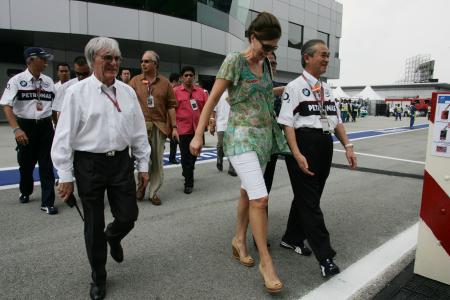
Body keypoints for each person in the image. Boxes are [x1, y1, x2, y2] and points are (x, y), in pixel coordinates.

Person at [190, 12, 289, 293]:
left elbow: (265, 96)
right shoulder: (235, 60)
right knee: (260, 198)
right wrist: (198, 134)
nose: (269, 53)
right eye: (265, 46)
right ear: (252, 37)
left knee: (248, 192)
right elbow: (212, 98)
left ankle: (238, 239)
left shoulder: (267, 66)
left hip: (263, 141)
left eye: (273, 48)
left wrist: (290, 88)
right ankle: (266, 263)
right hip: (240, 138)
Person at [51, 37, 150, 300]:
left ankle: (114, 236)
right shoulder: (76, 93)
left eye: (117, 58)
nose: (114, 63)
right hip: (89, 164)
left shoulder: (127, 92)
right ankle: (99, 276)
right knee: (93, 225)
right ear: (92, 60)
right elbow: (63, 138)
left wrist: (143, 164)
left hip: (120, 161)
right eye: (107, 58)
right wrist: (65, 175)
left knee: (129, 215)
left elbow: (139, 131)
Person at [277, 39, 357, 278]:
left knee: (308, 197)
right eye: (322, 55)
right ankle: (326, 257)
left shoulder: (327, 89)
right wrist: (297, 153)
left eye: (328, 55)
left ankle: (291, 238)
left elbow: (337, 121)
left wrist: (349, 146)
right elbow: (287, 124)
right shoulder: (294, 86)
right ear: (307, 58)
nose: (326, 59)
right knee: (310, 203)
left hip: (325, 144)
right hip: (303, 143)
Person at [0, 47, 57, 214]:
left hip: (46, 127)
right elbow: (7, 106)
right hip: (26, 126)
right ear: (31, 60)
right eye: (42, 58)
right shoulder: (17, 80)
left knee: (47, 165)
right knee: (26, 164)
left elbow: (53, 108)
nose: (46, 62)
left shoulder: (48, 81)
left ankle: (48, 202)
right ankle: (25, 190)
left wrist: (57, 127)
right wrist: (16, 129)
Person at [129, 50, 178, 205]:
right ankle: (141, 187)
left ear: (155, 64)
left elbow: (171, 106)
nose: (143, 64)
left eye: (147, 61)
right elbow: (127, 104)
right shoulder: (135, 81)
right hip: (140, 126)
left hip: (159, 126)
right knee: (143, 160)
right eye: (142, 61)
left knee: (157, 162)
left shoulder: (165, 83)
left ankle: (153, 192)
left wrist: (174, 127)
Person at [174, 66, 208, 194]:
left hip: (198, 130)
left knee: (194, 154)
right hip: (183, 130)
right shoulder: (176, 92)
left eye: (191, 75)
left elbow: (207, 108)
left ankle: (188, 170)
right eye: (186, 75)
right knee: (185, 156)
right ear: (182, 77)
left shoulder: (201, 92)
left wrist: (210, 122)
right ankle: (188, 182)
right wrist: (173, 127)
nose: (188, 77)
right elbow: (171, 110)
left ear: (194, 77)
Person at [208, 89, 237, 176]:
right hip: (221, 123)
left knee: (232, 145)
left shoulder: (236, 93)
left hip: (233, 124)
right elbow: (213, 111)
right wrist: (212, 124)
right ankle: (219, 158)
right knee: (220, 144)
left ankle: (232, 167)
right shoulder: (219, 94)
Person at [168, 72, 181, 164]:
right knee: (175, 139)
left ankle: (172, 157)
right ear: (176, 80)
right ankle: (172, 157)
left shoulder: (167, 88)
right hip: (174, 117)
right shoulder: (175, 90)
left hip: (165, 117)